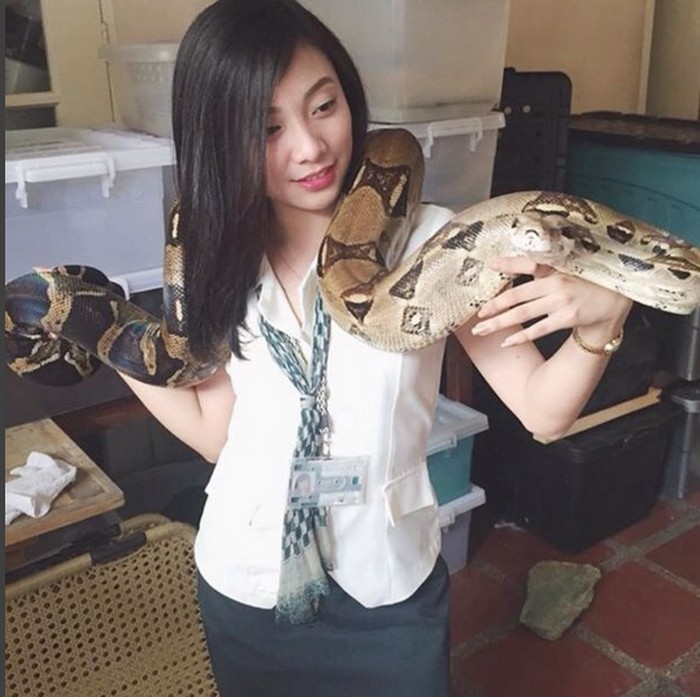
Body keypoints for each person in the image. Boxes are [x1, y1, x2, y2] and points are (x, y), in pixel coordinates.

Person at [119, 1, 632, 695]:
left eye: (323, 106)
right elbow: (217, 436)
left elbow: (544, 410)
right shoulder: (213, 254)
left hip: (388, 588)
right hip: (244, 580)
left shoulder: (439, 245)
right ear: (219, 140)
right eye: (268, 129)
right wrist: (108, 337)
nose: (310, 146)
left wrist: (604, 319)